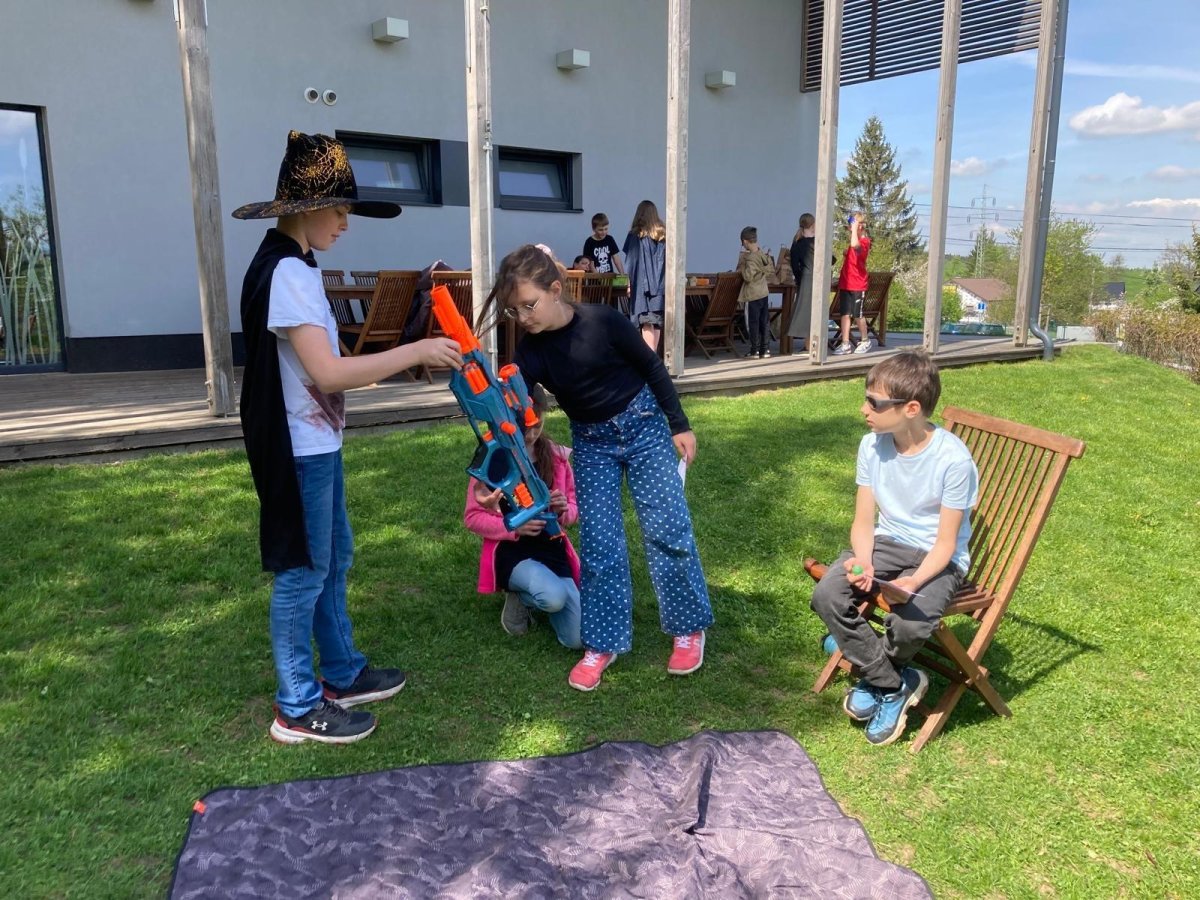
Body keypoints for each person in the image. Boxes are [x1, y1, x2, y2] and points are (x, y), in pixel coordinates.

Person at [233, 131, 462, 745]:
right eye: (338, 210)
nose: (345, 223)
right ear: (305, 207)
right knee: (303, 572)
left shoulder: (294, 265)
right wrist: (414, 351)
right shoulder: (286, 272)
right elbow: (328, 373)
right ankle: (297, 705)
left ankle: (341, 673)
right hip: (297, 452)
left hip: (317, 445)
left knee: (333, 560)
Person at [482, 244, 713, 692]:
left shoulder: (603, 322)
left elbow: (652, 368)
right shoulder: (530, 351)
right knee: (601, 544)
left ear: (555, 289)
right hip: (592, 444)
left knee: (667, 529)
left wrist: (679, 424)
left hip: (644, 427)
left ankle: (688, 629)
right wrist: (497, 448)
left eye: (529, 305)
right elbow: (511, 407)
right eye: (514, 310)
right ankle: (603, 642)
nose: (523, 317)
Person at [809, 350, 979, 746]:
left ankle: (864, 659)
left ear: (911, 409)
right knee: (827, 594)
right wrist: (864, 561)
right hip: (886, 543)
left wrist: (913, 583)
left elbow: (946, 543)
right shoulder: (872, 446)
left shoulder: (953, 461)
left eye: (874, 402)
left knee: (910, 625)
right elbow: (863, 520)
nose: (864, 409)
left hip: (938, 560)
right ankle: (893, 682)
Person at [463, 384, 582, 648]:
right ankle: (520, 594)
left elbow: (574, 507)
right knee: (553, 597)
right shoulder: (492, 458)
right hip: (513, 551)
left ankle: (535, 593)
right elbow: (472, 517)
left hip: (551, 550)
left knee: (577, 639)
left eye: (537, 425)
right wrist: (514, 528)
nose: (531, 434)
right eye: (524, 427)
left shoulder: (556, 456)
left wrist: (563, 510)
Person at [622, 200, 667, 351]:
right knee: (656, 321)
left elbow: (631, 262)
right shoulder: (663, 235)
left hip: (642, 286)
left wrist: (629, 284)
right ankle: (654, 356)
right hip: (660, 286)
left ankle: (651, 357)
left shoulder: (635, 235)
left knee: (646, 321)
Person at [834, 212, 872, 355]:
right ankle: (845, 343)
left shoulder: (864, 241)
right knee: (845, 314)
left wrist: (855, 228)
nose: (850, 228)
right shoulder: (853, 242)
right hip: (846, 283)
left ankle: (865, 340)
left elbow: (855, 245)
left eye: (852, 225)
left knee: (857, 314)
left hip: (857, 284)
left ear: (860, 226)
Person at [736, 226, 775, 359]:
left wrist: (742, 266)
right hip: (763, 292)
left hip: (752, 294)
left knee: (752, 322)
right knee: (764, 322)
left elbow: (748, 277)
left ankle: (755, 350)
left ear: (745, 241)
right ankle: (765, 349)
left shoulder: (750, 258)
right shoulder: (762, 254)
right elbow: (769, 270)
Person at [786, 213, 816, 353]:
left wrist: (799, 279)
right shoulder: (816, 242)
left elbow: (794, 264)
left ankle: (808, 345)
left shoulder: (797, 242)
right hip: (816, 278)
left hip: (805, 279)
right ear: (813, 225)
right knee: (812, 312)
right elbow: (831, 259)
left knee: (805, 311)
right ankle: (810, 345)